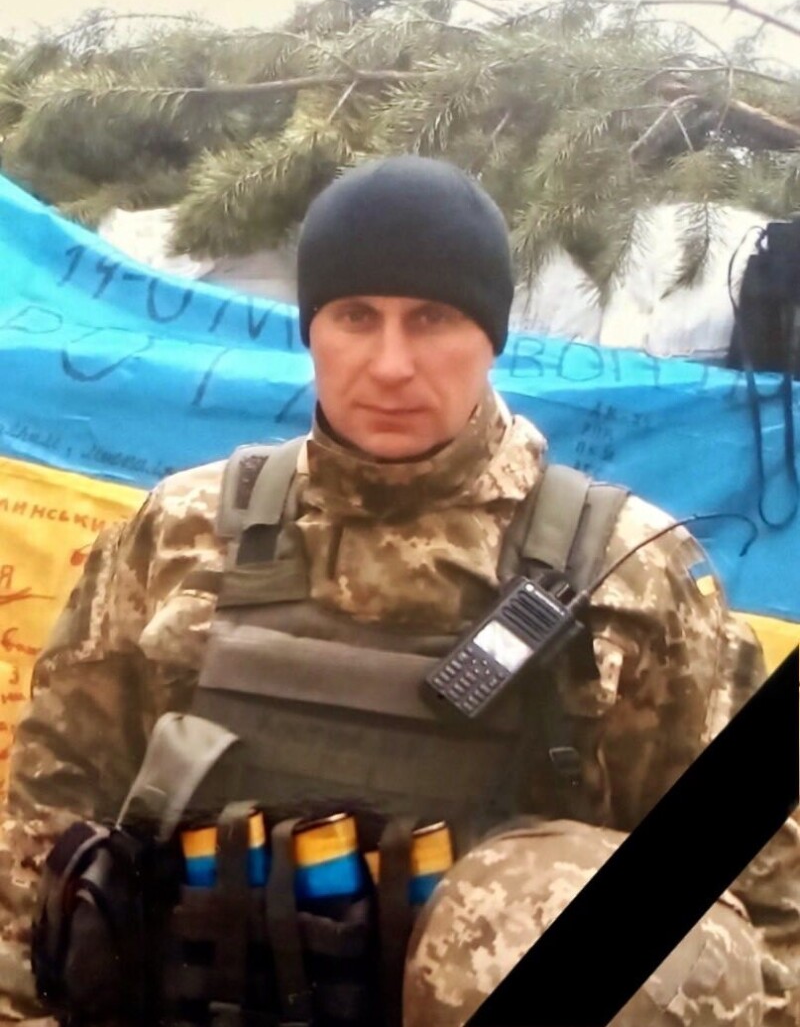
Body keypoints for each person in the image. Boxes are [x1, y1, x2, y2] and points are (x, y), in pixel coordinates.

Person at [0, 155, 797, 1027]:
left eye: (432, 319)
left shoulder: (630, 573)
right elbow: (49, 822)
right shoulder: (181, 530)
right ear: (312, 330)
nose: (390, 364)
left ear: (491, 336)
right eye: (355, 316)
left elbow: (763, 919)